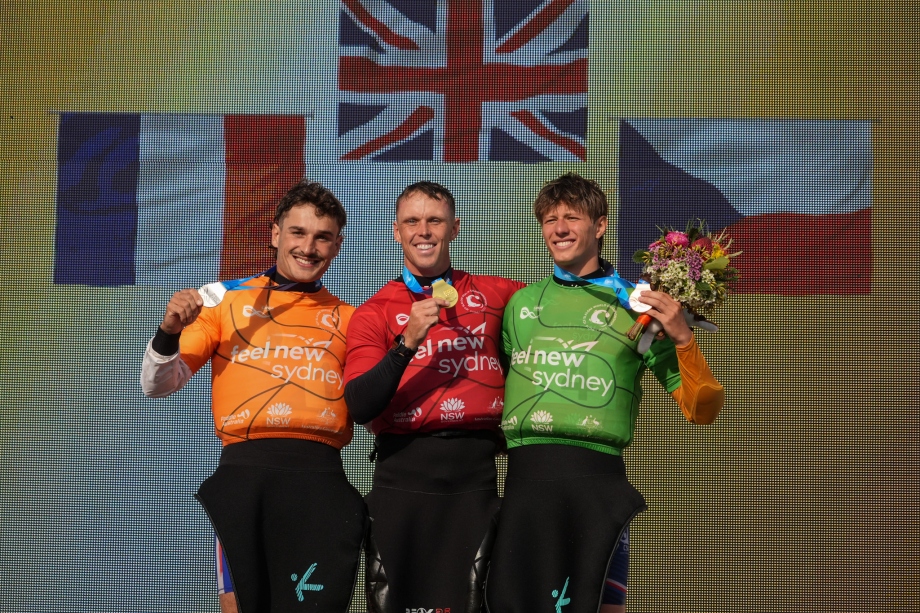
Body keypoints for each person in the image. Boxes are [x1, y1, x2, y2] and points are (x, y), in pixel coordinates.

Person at [484, 172, 725, 613]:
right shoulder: (520, 304)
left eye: (572, 217)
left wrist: (685, 341)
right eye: (550, 219)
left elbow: (701, 408)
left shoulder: (638, 309)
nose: (559, 229)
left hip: (597, 492)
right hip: (525, 490)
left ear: (600, 225)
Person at [141, 180, 367, 613]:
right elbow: (157, 384)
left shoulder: (351, 318)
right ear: (275, 234)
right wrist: (169, 330)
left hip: (322, 483)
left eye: (323, 237)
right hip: (245, 481)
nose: (309, 247)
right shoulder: (224, 301)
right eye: (298, 233)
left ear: (338, 246)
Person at [343, 181, 524, 613]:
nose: (423, 230)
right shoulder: (375, 310)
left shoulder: (499, 295)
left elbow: (563, 301)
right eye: (412, 221)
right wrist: (406, 343)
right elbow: (360, 404)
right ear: (396, 231)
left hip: (475, 483)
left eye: (434, 220)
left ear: (454, 228)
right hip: (400, 482)